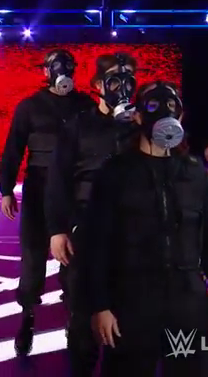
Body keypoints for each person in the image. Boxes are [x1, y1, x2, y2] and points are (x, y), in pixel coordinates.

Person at [83, 81, 208, 376]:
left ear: (181, 116)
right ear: (138, 116)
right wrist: (99, 305)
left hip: (187, 302)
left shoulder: (195, 175)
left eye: (171, 107)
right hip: (131, 302)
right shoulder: (115, 173)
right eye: (153, 107)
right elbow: (96, 244)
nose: (164, 114)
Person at [44, 52, 139, 375]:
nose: (122, 87)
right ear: (98, 85)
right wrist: (57, 230)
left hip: (131, 239)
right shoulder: (77, 127)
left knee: (127, 326)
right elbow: (57, 180)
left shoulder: (141, 129)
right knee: (83, 326)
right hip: (85, 235)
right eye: (114, 80)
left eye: (128, 80)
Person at [0, 49, 96, 356]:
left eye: (67, 66)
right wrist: (7, 189)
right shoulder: (29, 107)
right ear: (45, 72)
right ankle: (27, 317)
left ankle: (74, 320)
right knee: (32, 258)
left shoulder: (86, 105)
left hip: (75, 190)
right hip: (38, 189)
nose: (62, 70)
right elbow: (13, 148)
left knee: (75, 259)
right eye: (55, 66)